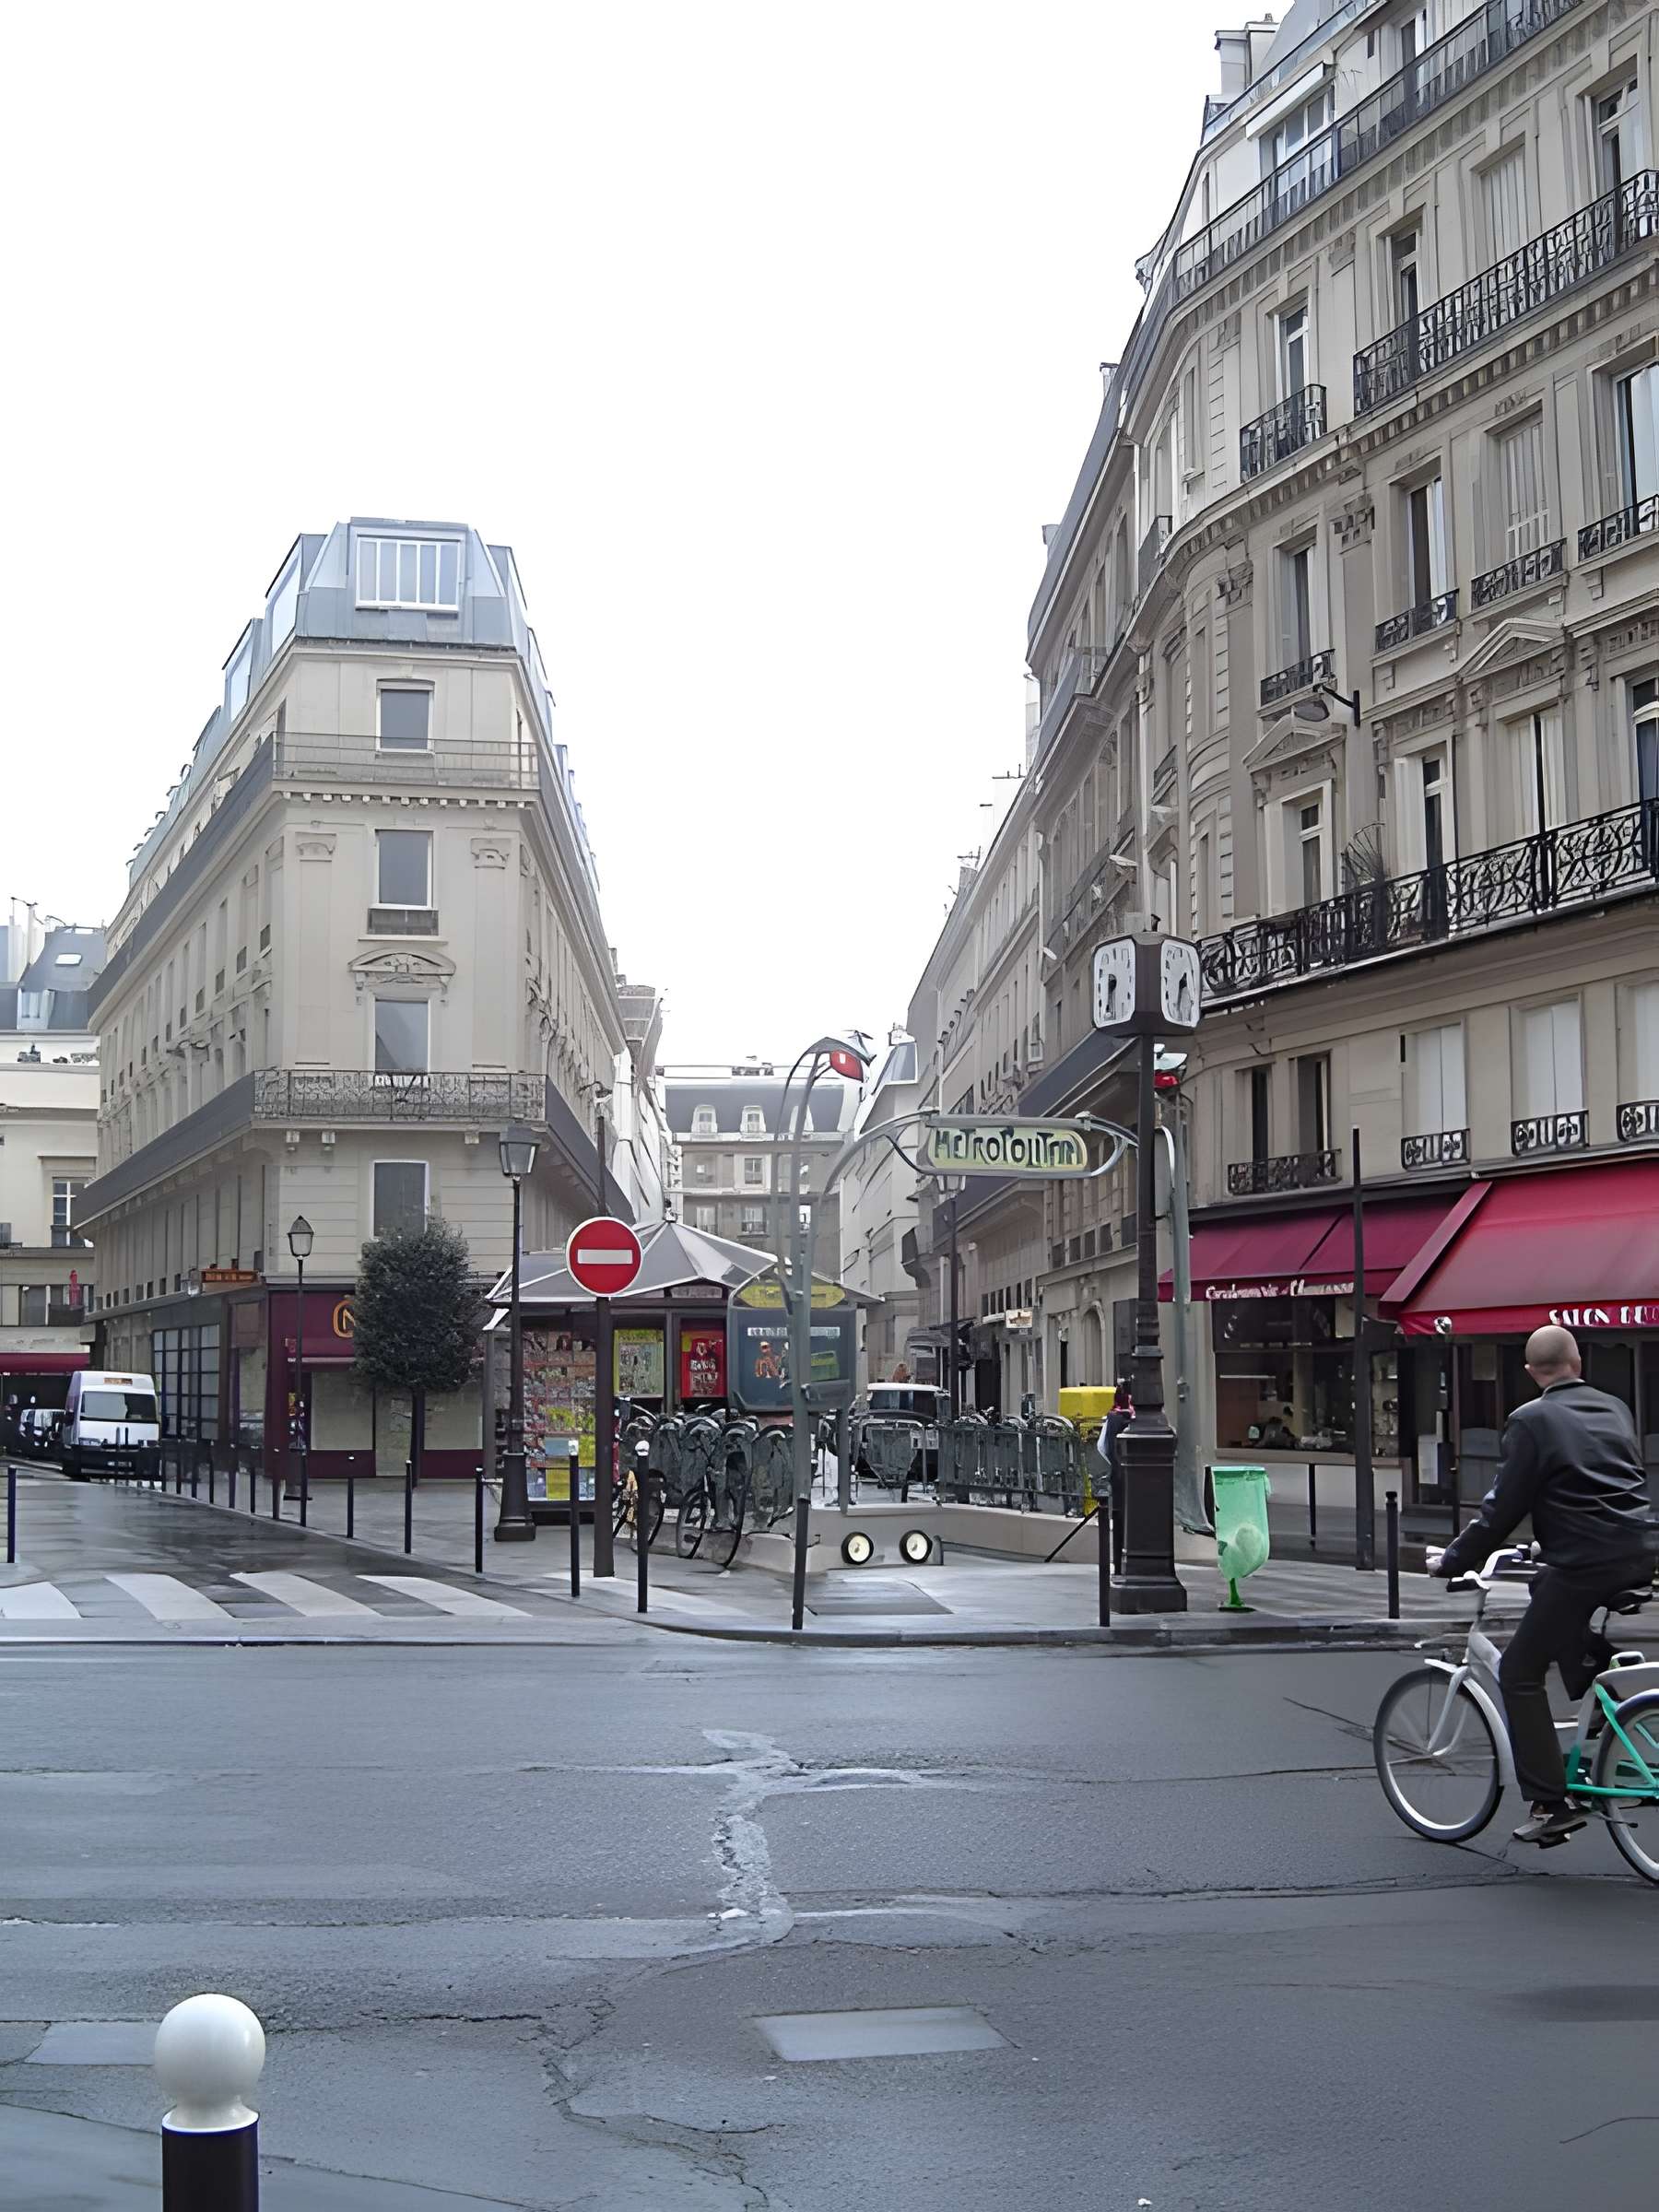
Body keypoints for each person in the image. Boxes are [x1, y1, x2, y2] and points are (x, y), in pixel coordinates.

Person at [1429, 1324, 1655, 1848]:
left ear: (1532, 1373)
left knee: (1518, 1672)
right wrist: (1546, 1544)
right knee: (1548, 1592)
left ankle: (1550, 1804)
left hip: (1586, 1560)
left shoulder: (1529, 1420)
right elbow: (1598, 1485)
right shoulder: (1613, 1407)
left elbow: (1501, 1510)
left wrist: (1454, 1560)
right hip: (1640, 1549)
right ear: (1578, 1361)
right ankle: (1599, 1699)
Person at [1097, 1381, 1133, 1572]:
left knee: (1118, 1518)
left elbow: (1102, 1446)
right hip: (1139, 1482)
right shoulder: (1142, 1418)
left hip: (1118, 1478)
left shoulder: (1112, 1418)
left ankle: (1118, 1564)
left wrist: (1114, 1463)